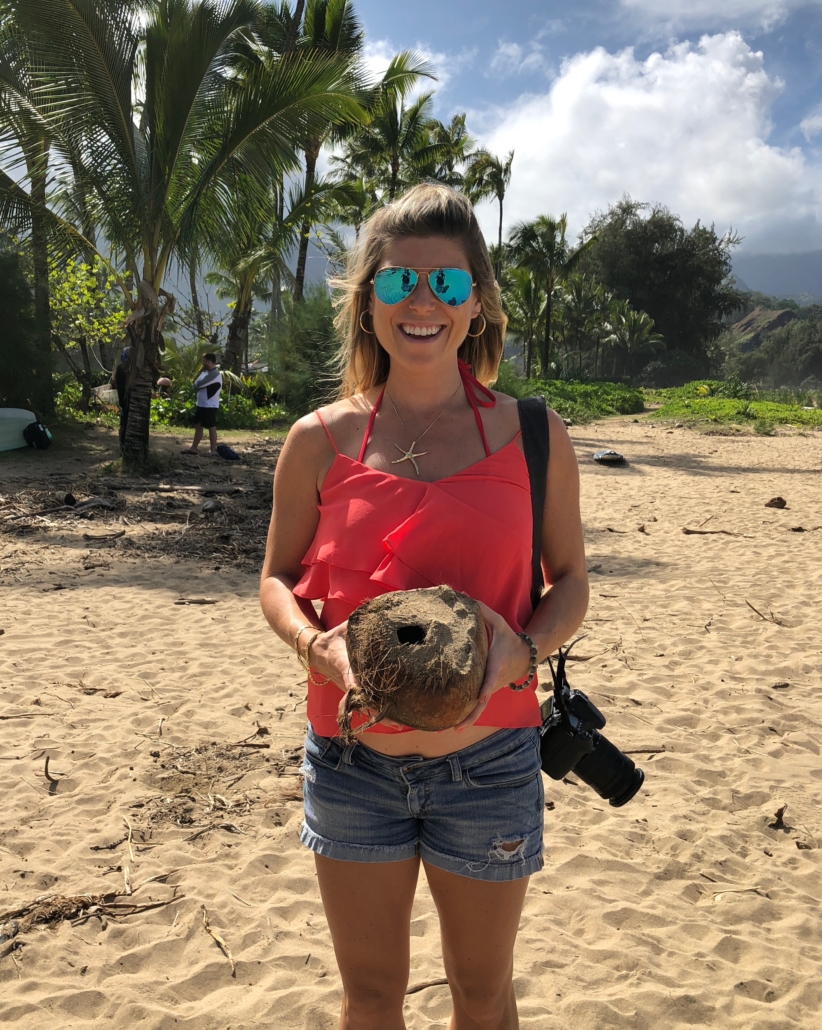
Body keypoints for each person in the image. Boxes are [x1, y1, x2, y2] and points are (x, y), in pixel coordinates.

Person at [259, 184, 589, 1030]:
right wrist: (313, 647)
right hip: (350, 761)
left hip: (490, 765)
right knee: (369, 997)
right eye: (400, 281)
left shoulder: (536, 434)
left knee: (482, 994)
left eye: (446, 285)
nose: (422, 303)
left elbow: (572, 580)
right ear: (369, 299)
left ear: (475, 303)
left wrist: (524, 648)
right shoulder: (317, 441)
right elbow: (276, 578)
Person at [183, 353, 222, 454]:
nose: (202, 363)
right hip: (201, 404)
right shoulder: (205, 372)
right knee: (198, 426)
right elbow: (195, 384)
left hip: (210, 406)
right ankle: (193, 448)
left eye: (203, 361)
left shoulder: (214, 374)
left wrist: (197, 384)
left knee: (211, 427)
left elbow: (198, 384)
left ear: (209, 362)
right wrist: (197, 384)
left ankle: (213, 450)